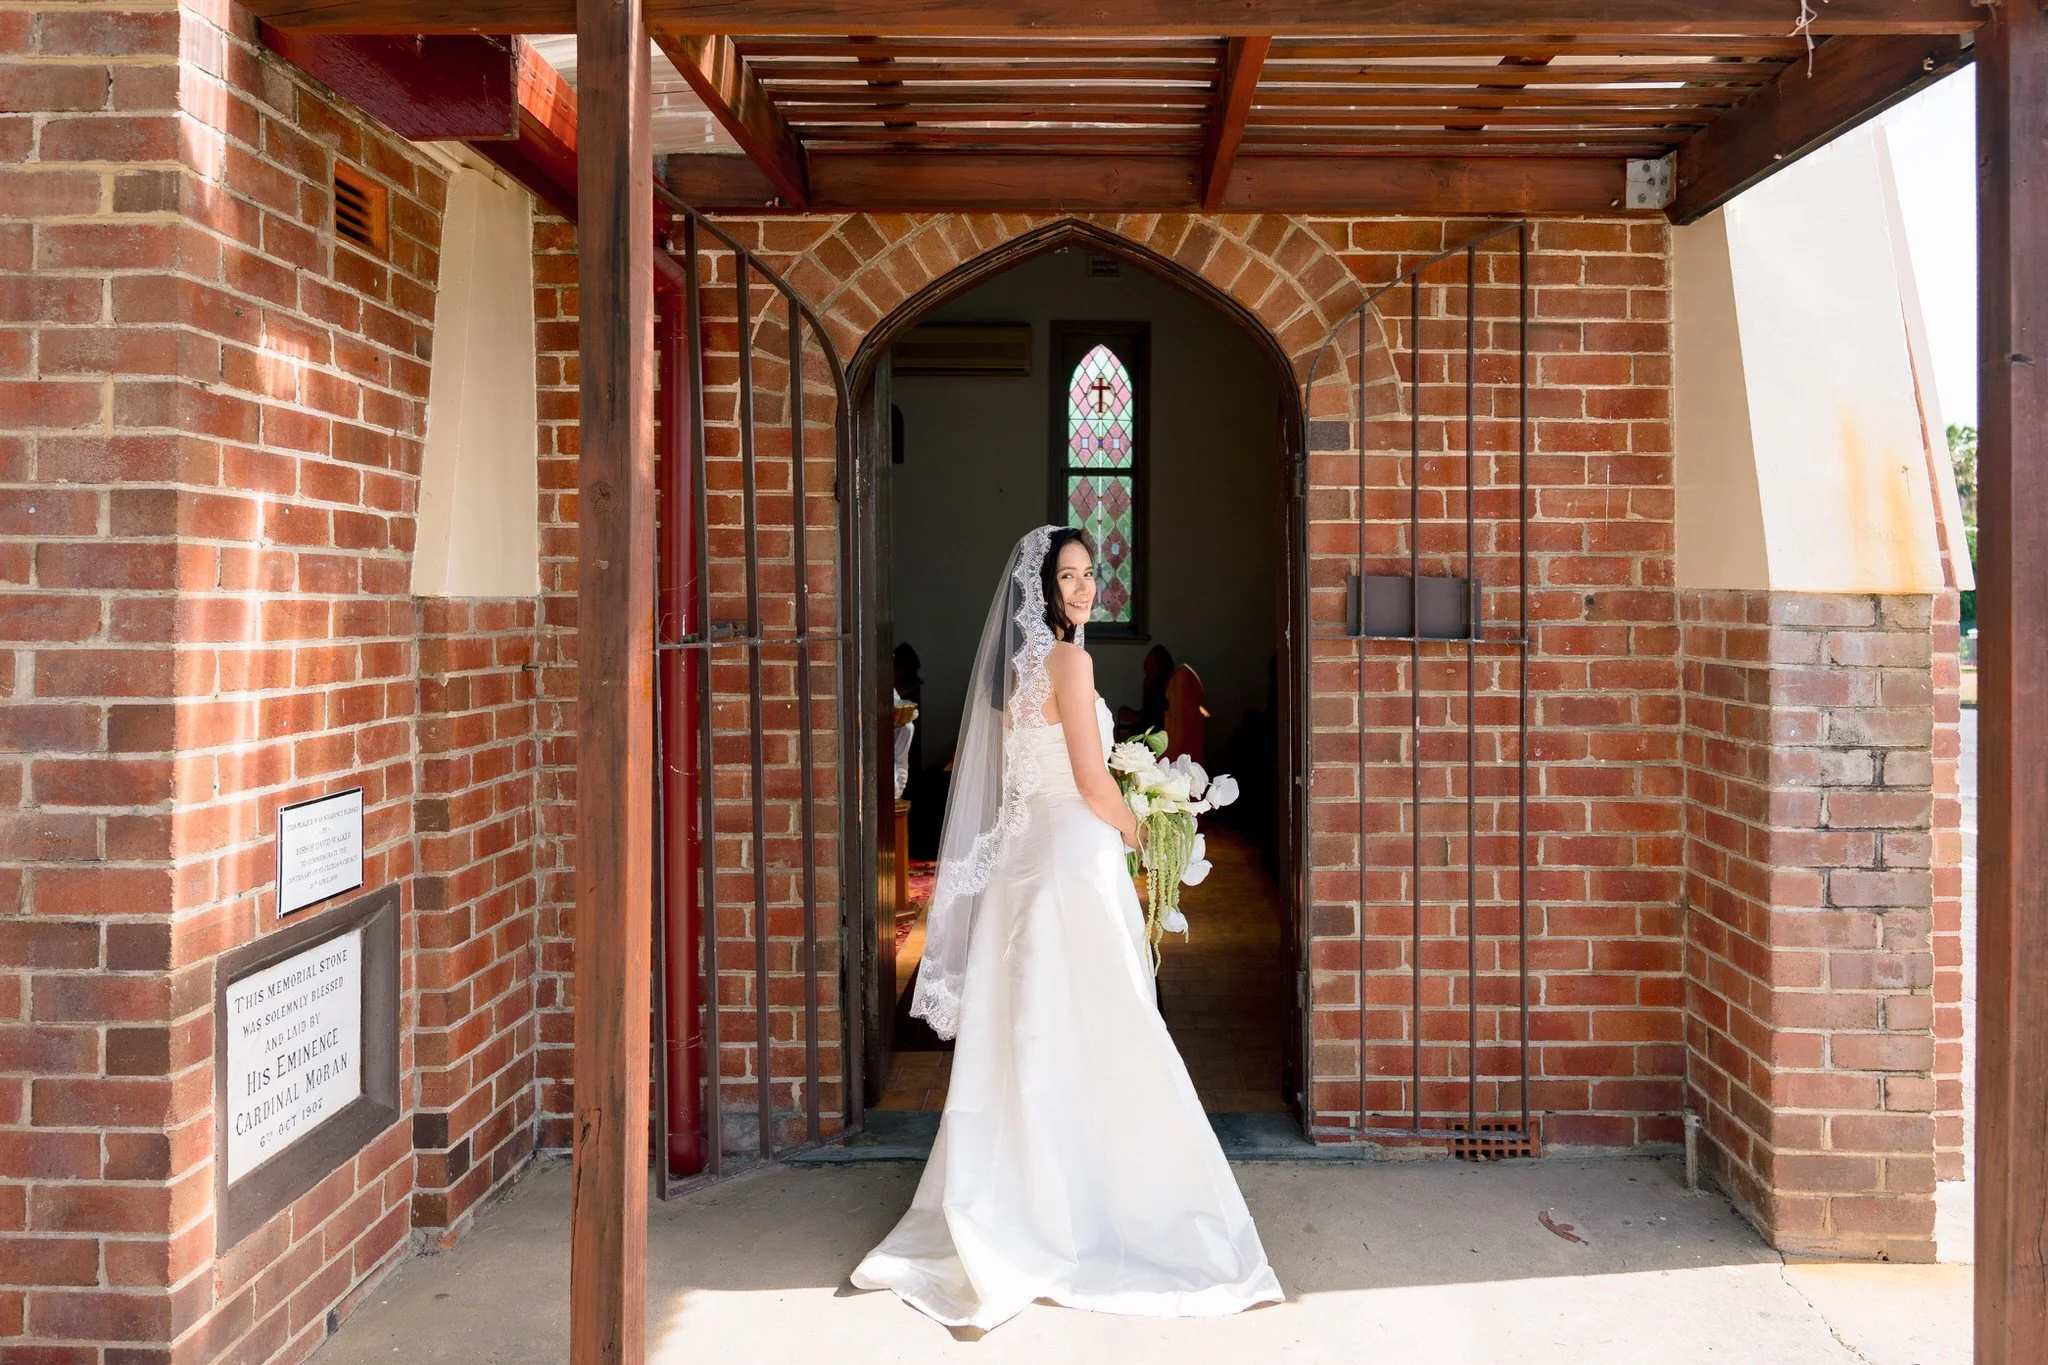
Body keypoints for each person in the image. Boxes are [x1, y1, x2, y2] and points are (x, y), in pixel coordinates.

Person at [850, 525, 1283, 1330]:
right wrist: (1144, 828)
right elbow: (1089, 781)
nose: (1084, 587)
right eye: (1070, 576)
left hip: (1027, 861)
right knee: (1112, 1021)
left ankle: (1030, 1194)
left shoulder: (1017, 670)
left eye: (1090, 573)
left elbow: (1027, 776)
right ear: (1041, 588)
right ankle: (1099, 1198)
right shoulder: (1071, 663)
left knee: (1035, 1029)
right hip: (1075, 861)